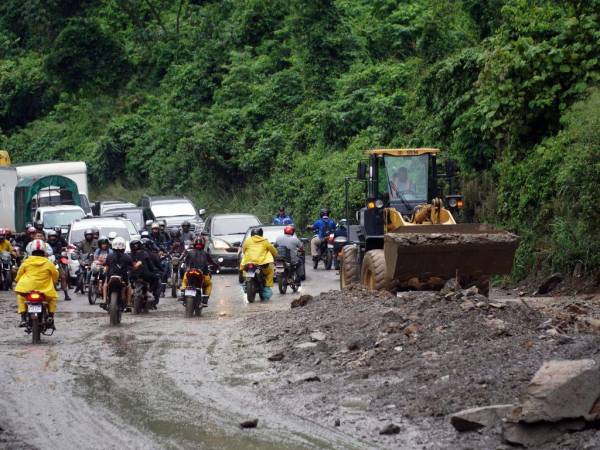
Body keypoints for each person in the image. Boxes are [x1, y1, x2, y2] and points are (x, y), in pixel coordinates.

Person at [15, 239, 59, 328]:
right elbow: (55, 275)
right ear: (44, 250)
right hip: (45, 291)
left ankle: (23, 318)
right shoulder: (48, 263)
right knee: (53, 299)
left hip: (27, 290)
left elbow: (19, 274)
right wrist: (54, 281)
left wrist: (17, 280)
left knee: (20, 297)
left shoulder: (26, 262)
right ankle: (50, 316)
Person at [241, 228, 278, 299]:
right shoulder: (265, 241)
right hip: (261, 264)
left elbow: (243, 250)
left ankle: (245, 283)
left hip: (248, 263)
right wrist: (276, 255)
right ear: (261, 234)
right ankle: (267, 287)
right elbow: (273, 251)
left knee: (244, 271)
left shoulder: (247, 241)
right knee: (270, 271)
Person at [102, 237, 132, 308]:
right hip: (123, 276)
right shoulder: (127, 256)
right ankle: (128, 303)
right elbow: (131, 266)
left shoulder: (109, 256)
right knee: (129, 286)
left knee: (105, 284)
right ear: (124, 246)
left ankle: (104, 300)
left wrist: (104, 273)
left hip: (111, 275)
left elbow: (106, 266)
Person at [130, 239, 160, 308]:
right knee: (156, 278)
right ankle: (149, 291)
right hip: (144, 274)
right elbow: (150, 265)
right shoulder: (145, 254)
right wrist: (155, 271)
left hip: (133, 276)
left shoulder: (129, 255)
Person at [47, 230, 71, 301]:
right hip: (47, 263)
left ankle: (66, 294)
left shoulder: (59, 243)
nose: (52, 238)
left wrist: (59, 256)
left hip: (56, 262)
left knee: (63, 276)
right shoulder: (46, 244)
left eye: (53, 237)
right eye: (51, 237)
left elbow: (59, 252)